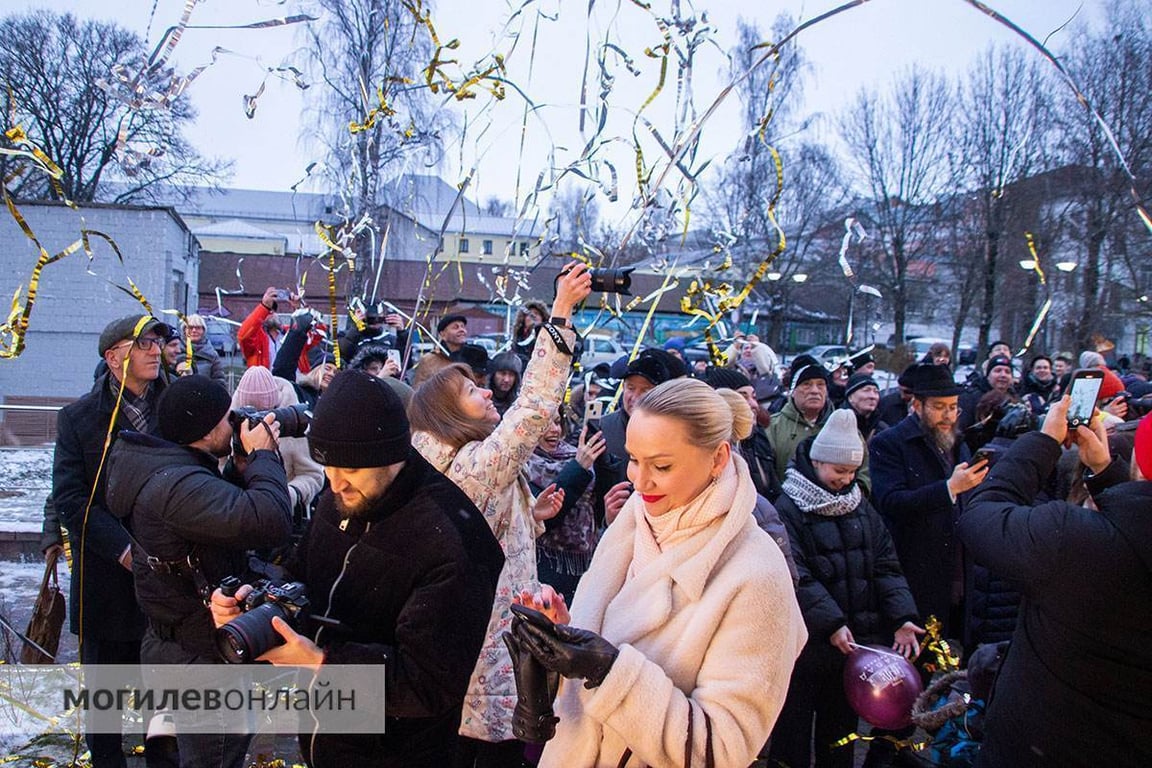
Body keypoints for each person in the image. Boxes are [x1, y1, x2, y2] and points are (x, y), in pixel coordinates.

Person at [209, 370, 505, 768]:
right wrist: (258, 606)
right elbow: (303, 576)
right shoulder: (344, 494)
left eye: (349, 470)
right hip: (323, 735)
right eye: (327, 468)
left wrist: (321, 663)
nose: (335, 485)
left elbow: (429, 684)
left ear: (392, 454)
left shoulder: (453, 539)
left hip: (400, 754)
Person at [509, 378, 807, 767]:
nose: (639, 480)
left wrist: (608, 671)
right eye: (634, 458)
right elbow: (603, 647)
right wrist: (565, 641)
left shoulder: (756, 573)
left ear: (717, 458)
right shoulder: (632, 524)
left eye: (662, 465)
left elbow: (723, 749)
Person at [408, 262, 591, 764]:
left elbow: (483, 533)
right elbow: (533, 407)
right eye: (472, 391)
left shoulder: (450, 461)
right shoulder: (472, 465)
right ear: (448, 415)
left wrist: (533, 518)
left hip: (481, 641)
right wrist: (560, 313)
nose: (489, 391)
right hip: (490, 650)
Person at [106, 375, 294, 767]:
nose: (237, 423)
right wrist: (263, 458)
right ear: (209, 431)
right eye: (229, 418)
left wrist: (240, 468)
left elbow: (213, 516)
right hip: (199, 660)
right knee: (214, 757)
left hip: (174, 645)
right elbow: (270, 520)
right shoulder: (177, 485)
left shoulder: (168, 469)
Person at [958, 400, 1152, 767]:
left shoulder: (1074, 540)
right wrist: (1105, 472)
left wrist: (1044, 441)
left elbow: (983, 517)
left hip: (1046, 746)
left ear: (1140, 465)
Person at [769, 409, 922, 768]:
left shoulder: (860, 506)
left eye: (852, 472)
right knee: (792, 733)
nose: (846, 479)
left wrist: (902, 615)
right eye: (839, 471)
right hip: (804, 646)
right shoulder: (788, 507)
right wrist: (831, 622)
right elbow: (794, 574)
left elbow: (886, 565)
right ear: (818, 461)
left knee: (839, 736)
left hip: (853, 647)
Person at [53, 314, 170, 768]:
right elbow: (68, 496)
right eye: (141, 343)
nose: (154, 350)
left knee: (163, 699)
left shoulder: (174, 407)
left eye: (156, 341)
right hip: (106, 579)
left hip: (167, 579)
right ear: (113, 357)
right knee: (105, 700)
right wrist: (121, 548)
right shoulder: (79, 419)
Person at [869, 363, 988, 637]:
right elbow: (890, 502)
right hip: (916, 569)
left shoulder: (957, 442)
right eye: (939, 407)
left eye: (953, 407)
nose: (948, 416)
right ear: (917, 405)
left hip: (958, 565)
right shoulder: (890, 443)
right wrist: (947, 489)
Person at [527, 410, 607, 601]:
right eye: (546, 423)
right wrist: (578, 468)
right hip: (545, 567)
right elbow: (548, 516)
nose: (554, 430)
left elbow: (597, 507)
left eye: (557, 422)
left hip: (584, 567)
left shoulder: (575, 455)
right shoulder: (522, 465)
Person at [232, 366, 325, 523]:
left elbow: (314, 475)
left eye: (263, 414)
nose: (258, 423)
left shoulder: (293, 424)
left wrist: (289, 494)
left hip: (283, 517)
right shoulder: (231, 420)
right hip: (241, 516)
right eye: (252, 416)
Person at [706, 367, 781, 502]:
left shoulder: (759, 437)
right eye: (743, 396)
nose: (753, 404)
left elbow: (773, 489)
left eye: (753, 396)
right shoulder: (711, 451)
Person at [766, 354, 833, 483]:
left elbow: (862, 474)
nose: (815, 391)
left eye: (820, 385)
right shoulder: (772, 427)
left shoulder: (842, 426)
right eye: (806, 384)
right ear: (793, 391)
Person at [237, 286, 292, 369]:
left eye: (273, 310)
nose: (271, 312)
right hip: (265, 381)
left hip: (289, 381)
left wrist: (299, 307)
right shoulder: (256, 339)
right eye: (268, 310)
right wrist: (264, 307)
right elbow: (243, 336)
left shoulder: (289, 334)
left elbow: (312, 333)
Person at [181, 314, 227, 386]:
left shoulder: (212, 354)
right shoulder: (177, 351)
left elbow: (219, 380)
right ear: (184, 330)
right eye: (190, 327)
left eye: (198, 328)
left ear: (203, 331)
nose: (194, 331)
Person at [512, 300, 549, 368]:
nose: (533, 316)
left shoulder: (548, 339)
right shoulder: (516, 341)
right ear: (523, 319)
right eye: (529, 315)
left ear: (543, 318)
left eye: (536, 313)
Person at [488, 353, 523, 417]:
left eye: (511, 375)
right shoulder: (484, 400)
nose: (506, 380)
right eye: (502, 373)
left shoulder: (519, 403)